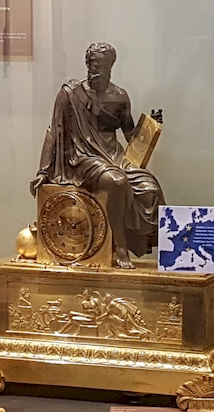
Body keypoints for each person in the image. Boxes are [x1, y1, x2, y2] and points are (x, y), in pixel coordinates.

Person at [31, 43, 164, 268]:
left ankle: (152, 243)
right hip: (82, 157)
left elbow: (130, 135)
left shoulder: (119, 96)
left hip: (114, 155)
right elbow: (54, 131)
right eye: (93, 64)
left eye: (102, 65)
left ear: (111, 66)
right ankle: (120, 246)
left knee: (150, 187)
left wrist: (151, 127)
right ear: (87, 64)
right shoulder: (70, 94)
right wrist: (43, 170)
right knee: (117, 181)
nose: (97, 70)